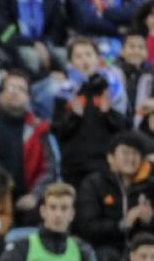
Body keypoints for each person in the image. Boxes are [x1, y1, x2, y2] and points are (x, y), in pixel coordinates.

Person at [0, 69, 58, 227]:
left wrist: (34, 196)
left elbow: (50, 170)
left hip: (27, 201)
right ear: (0, 93)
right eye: (10, 87)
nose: (15, 92)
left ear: (28, 97)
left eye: (21, 89)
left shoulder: (39, 128)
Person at [51, 37, 128, 188]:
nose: (84, 60)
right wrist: (74, 117)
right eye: (78, 56)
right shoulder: (64, 92)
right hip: (73, 168)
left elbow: (124, 127)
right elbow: (58, 131)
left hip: (106, 166)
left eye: (88, 54)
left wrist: (108, 113)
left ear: (97, 59)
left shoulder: (112, 89)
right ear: (70, 62)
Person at [75, 131, 154, 261]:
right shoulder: (94, 184)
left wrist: (149, 221)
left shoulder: (150, 186)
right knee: (107, 257)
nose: (131, 158)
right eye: (125, 153)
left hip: (143, 252)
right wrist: (122, 224)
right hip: (106, 249)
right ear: (110, 157)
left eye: (135, 153)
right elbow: (87, 226)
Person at [112, 30, 154, 121]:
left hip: (144, 124)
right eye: (132, 46)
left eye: (141, 47)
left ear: (147, 52)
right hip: (116, 123)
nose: (136, 51)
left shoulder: (151, 74)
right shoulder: (112, 73)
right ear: (122, 51)